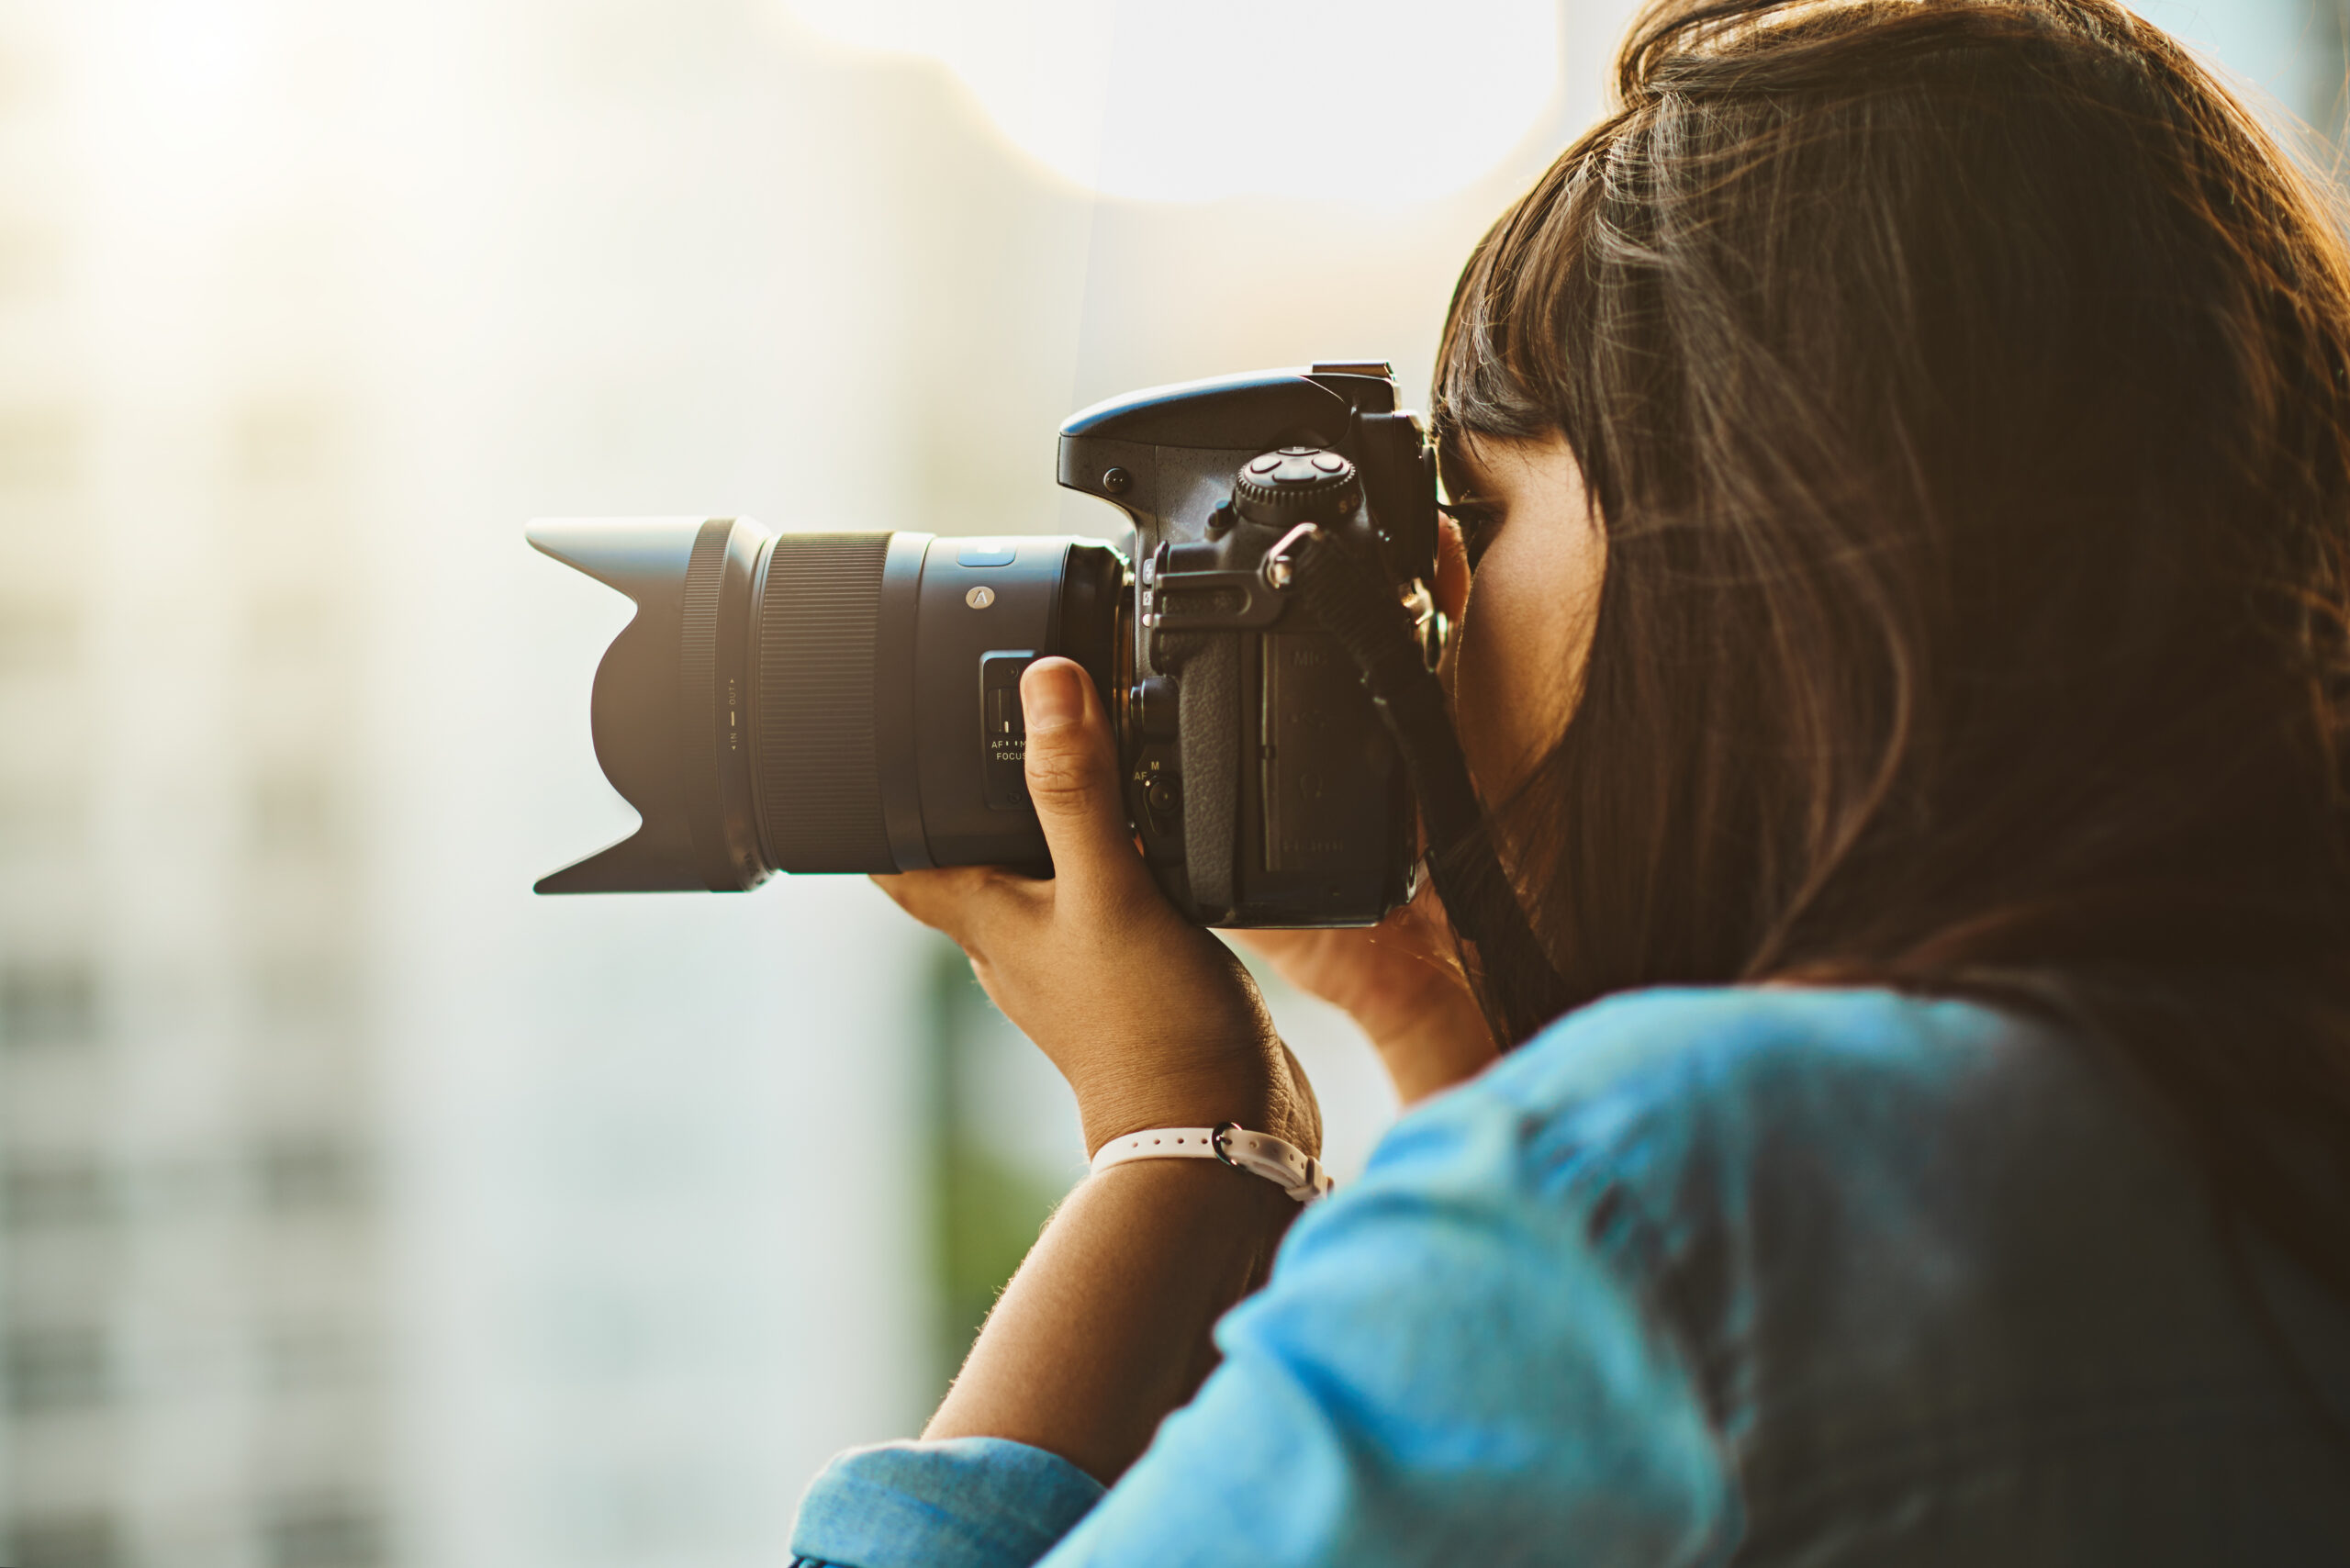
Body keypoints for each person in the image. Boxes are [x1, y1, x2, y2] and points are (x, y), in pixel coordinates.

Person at [790, 0, 2350, 1560]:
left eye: (1479, 507)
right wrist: (1437, 1017)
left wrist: (1184, 1145)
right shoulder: (2237, 1121)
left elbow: (1642, 1311)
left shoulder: (1671, 1201)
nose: (1438, 606)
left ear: (1746, 561)